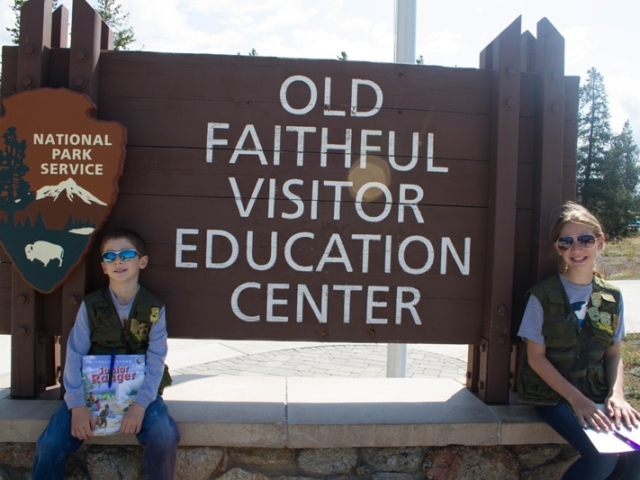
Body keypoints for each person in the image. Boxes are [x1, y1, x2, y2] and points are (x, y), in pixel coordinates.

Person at [32, 228, 180, 480]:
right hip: (92, 394)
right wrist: (77, 405)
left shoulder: (154, 308)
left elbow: (156, 359)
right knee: (49, 444)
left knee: (164, 435)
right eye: (110, 256)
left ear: (142, 261)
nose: (118, 261)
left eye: (126, 254)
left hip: (139, 394)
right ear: (103, 267)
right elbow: (75, 352)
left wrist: (140, 405)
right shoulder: (91, 306)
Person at [517, 202, 640, 479]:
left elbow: (613, 352)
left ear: (600, 243)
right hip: (553, 397)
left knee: (635, 457)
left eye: (585, 240)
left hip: (596, 393)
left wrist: (617, 395)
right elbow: (536, 357)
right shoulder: (542, 295)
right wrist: (576, 399)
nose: (577, 249)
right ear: (558, 248)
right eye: (566, 242)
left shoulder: (612, 297)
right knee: (599, 459)